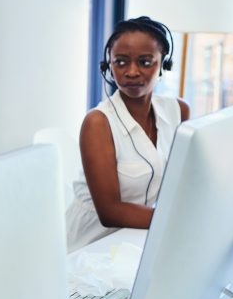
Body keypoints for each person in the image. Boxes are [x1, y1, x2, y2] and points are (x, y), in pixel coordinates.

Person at [66, 16, 190, 251]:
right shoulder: (98, 123)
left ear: (163, 64)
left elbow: (186, 178)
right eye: (121, 62)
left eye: (145, 62)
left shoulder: (178, 111)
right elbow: (110, 212)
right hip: (91, 245)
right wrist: (179, 222)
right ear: (108, 66)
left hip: (140, 239)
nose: (132, 72)